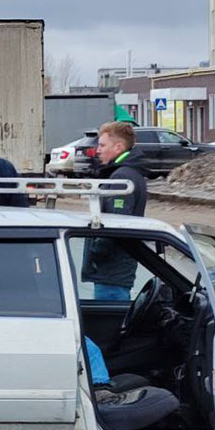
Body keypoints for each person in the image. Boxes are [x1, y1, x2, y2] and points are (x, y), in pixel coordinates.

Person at [81, 122, 148, 301]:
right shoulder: (126, 173)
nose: (97, 150)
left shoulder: (122, 177)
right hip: (116, 271)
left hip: (111, 272)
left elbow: (117, 223)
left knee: (108, 326)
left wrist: (96, 252)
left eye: (102, 145)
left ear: (118, 147)